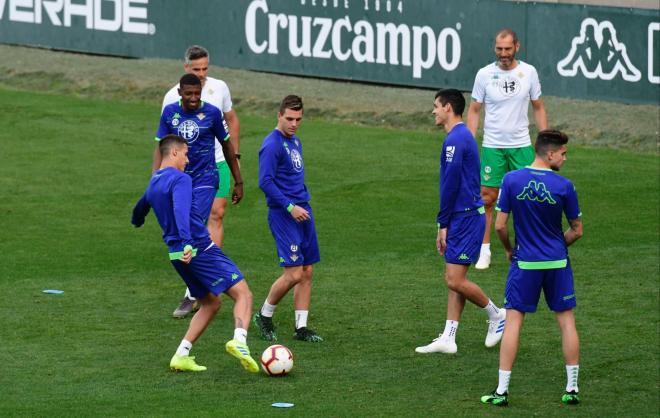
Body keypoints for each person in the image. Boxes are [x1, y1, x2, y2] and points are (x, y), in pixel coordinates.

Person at [132, 134, 258, 373]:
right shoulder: (180, 179)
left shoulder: (154, 181)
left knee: (210, 304)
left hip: (176, 256)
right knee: (244, 294)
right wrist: (189, 242)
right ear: (174, 153)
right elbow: (181, 210)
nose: (188, 160)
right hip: (197, 248)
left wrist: (136, 221)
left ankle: (181, 355)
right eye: (186, 154)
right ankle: (239, 341)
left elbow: (140, 208)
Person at [480, 130, 583, 406]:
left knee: (513, 322)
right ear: (550, 154)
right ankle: (572, 389)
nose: (564, 158)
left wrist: (509, 249)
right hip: (558, 263)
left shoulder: (511, 180)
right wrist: (557, 245)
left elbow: (500, 225)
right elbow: (577, 230)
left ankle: (501, 392)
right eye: (563, 153)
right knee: (566, 322)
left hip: (524, 263)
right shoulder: (564, 186)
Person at [415, 89, 506, 355]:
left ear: (448, 108)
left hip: (464, 217)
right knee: (455, 277)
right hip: (462, 216)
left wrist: (442, 223)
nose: (433, 111)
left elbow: (450, 184)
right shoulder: (460, 136)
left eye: (436, 106)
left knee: (454, 280)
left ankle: (496, 314)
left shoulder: (456, 140)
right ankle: (449, 337)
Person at [161, 46, 243, 319]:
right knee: (192, 222)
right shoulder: (170, 100)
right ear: (186, 69)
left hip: (216, 164)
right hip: (185, 171)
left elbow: (231, 119)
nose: (202, 74)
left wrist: (236, 161)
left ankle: (204, 282)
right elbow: (164, 143)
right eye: (197, 70)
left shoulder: (220, 89)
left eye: (206, 68)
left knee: (216, 214)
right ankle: (197, 285)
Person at [467, 28, 548, 270]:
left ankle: (528, 247)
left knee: (528, 198)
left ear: (517, 47)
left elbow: (539, 107)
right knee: (487, 199)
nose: (503, 53)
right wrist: (470, 144)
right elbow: (473, 110)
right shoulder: (484, 75)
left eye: (508, 49)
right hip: (493, 147)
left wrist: (545, 141)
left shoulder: (528, 73)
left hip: (521, 146)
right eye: (499, 49)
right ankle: (484, 250)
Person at [252, 95, 323, 343]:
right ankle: (264, 314)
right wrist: (290, 206)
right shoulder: (271, 145)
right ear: (279, 116)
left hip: (303, 210)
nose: (294, 124)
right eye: (290, 119)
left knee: (307, 270)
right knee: (293, 274)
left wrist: (300, 204)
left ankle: (301, 328)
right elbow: (265, 182)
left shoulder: (295, 141)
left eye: (298, 119)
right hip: (285, 214)